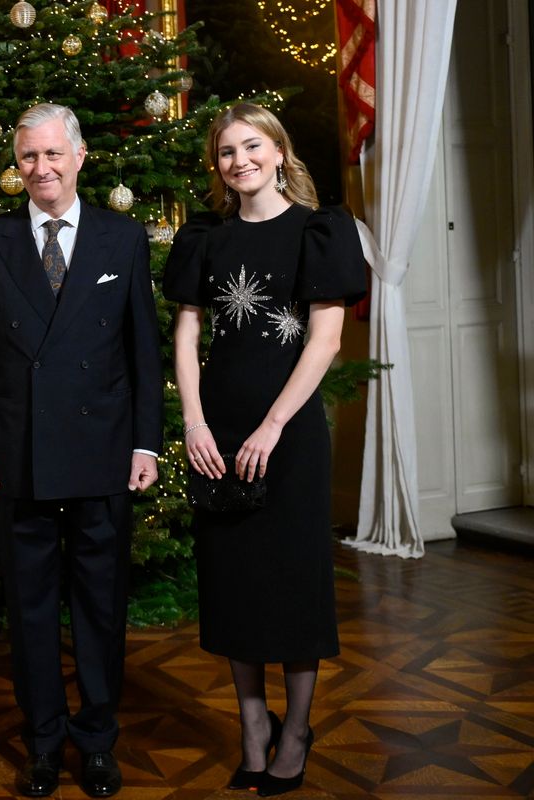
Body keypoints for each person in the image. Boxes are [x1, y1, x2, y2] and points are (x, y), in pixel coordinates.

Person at [0, 103, 163, 799]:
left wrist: (145, 443)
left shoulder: (122, 237)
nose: (40, 168)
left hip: (104, 448)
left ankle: (97, 740)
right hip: (16, 454)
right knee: (32, 606)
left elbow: (142, 348)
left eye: (51, 155)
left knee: (101, 605)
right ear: (18, 167)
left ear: (78, 158)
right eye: (28, 158)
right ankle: (44, 741)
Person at [162, 102, 366, 797]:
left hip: (290, 433)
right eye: (226, 152)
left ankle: (298, 729)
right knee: (235, 581)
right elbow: (187, 335)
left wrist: (274, 425)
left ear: (279, 152)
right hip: (218, 429)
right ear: (217, 166)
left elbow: (326, 341)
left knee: (292, 580)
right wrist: (193, 422)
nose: (239, 160)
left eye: (252, 146)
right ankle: (253, 728)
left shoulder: (319, 231)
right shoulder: (206, 239)